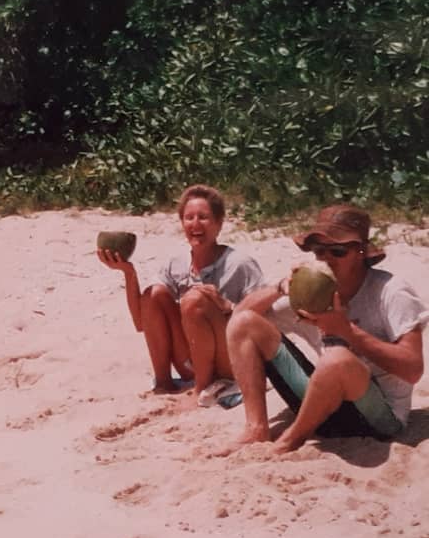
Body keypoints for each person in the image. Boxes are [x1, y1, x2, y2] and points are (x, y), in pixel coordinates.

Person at [227, 204, 426, 452]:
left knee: (337, 359)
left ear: (361, 252)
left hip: (380, 420)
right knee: (245, 323)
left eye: (338, 251)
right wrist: (280, 287)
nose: (327, 258)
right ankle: (256, 428)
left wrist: (348, 331)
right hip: (324, 410)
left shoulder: (391, 292)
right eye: (320, 251)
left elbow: (413, 369)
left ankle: (291, 439)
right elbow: (239, 318)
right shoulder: (317, 291)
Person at [98, 184, 264, 403]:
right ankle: (163, 381)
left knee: (193, 301)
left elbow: (264, 321)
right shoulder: (175, 264)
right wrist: (129, 273)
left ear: (219, 223)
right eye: (189, 218)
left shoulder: (240, 264)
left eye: (203, 217)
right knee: (154, 294)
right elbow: (141, 322)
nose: (195, 224)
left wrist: (226, 307)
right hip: (192, 362)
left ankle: (202, 389)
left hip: (230, 361)